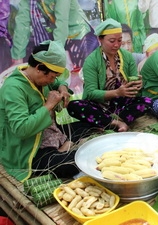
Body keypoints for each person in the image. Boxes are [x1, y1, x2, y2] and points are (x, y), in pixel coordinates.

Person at [0, 40, 95, 182]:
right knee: (74, 163)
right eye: (52, 76)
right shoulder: (13, 89)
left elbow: (59, 83)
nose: (52, 81)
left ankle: (61, 146)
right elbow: (21, 129)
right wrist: (48, 106)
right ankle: (60, 149)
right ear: (39, 67)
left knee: (88, 127)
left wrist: (62, 87)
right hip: (27, 148)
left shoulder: (39, 77)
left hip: (47, 132)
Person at [67, 18, 152, 132]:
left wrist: (137, 85)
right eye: (112, 41)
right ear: (100, 39)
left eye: (119, 40)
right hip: (99, 105)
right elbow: (91, 93)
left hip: (121, 104)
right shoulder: (91, 61)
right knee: (74, 106)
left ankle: (106, 121)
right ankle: (115, 122)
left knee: (147, 101)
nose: (117, 45)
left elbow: (134, 88)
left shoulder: (127, 57)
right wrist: (117, 92)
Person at [10, 0, 99, 70]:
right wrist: (18, 58)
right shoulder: (29, 2)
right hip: (58, 38)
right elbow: (22, 24)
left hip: (80, 36)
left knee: (80, 78)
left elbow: (61, 23)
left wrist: (55, 55)